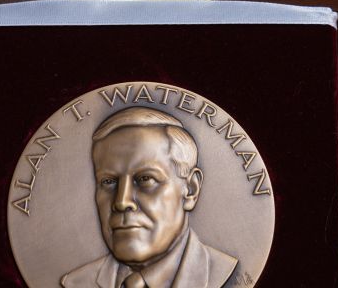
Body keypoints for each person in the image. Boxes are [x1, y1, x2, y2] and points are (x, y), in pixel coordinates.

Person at [61, 107, 237, 288]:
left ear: (190, 189)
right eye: (108, 181)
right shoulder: (76, 282)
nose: (122, 202)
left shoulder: (228, 274)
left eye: (145, 179)